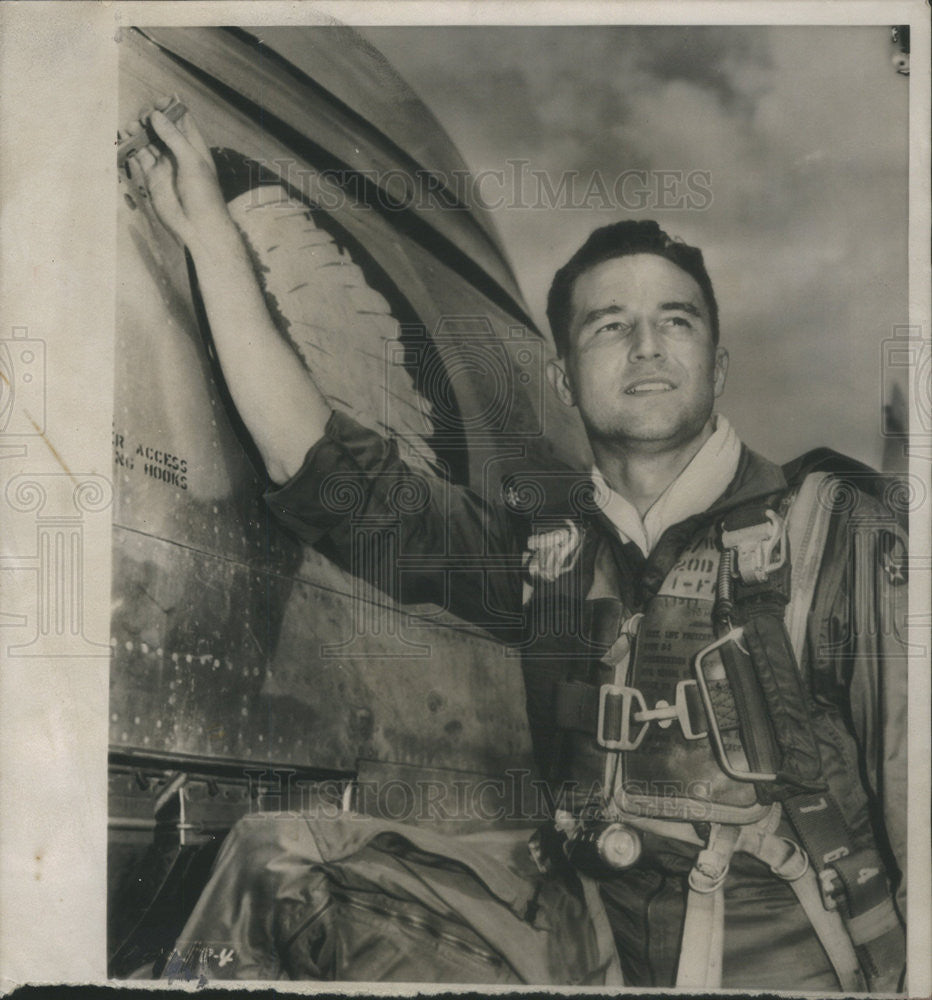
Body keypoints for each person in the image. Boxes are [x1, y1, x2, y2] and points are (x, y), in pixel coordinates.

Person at [124, 102, 908, 992]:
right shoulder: (556, 557)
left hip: (792, 958)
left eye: (678, 321)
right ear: (562, 375)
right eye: (609, 324)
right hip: (592, 943)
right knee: (280, 871)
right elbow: (331, 478)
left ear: (718, 364)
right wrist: (211, 238)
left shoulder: (834, 536)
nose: (647, 345)